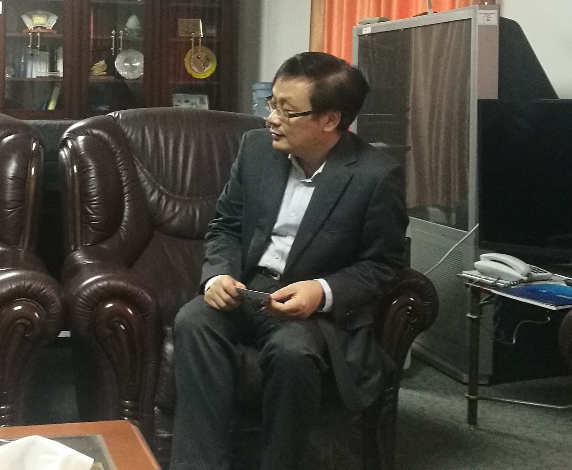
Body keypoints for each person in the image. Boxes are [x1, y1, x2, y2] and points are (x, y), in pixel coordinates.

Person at [169, 51, 408, 470]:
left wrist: (322, 291)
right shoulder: (256, 149)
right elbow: (226, 225)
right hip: (247, 288)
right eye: (272, 104)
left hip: (310, 311)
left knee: (292, 353)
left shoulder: (375, 175)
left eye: (287, 110)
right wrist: (217, 275)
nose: (271, 119)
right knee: (193, 321)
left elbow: (385, 266)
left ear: (330, 119)